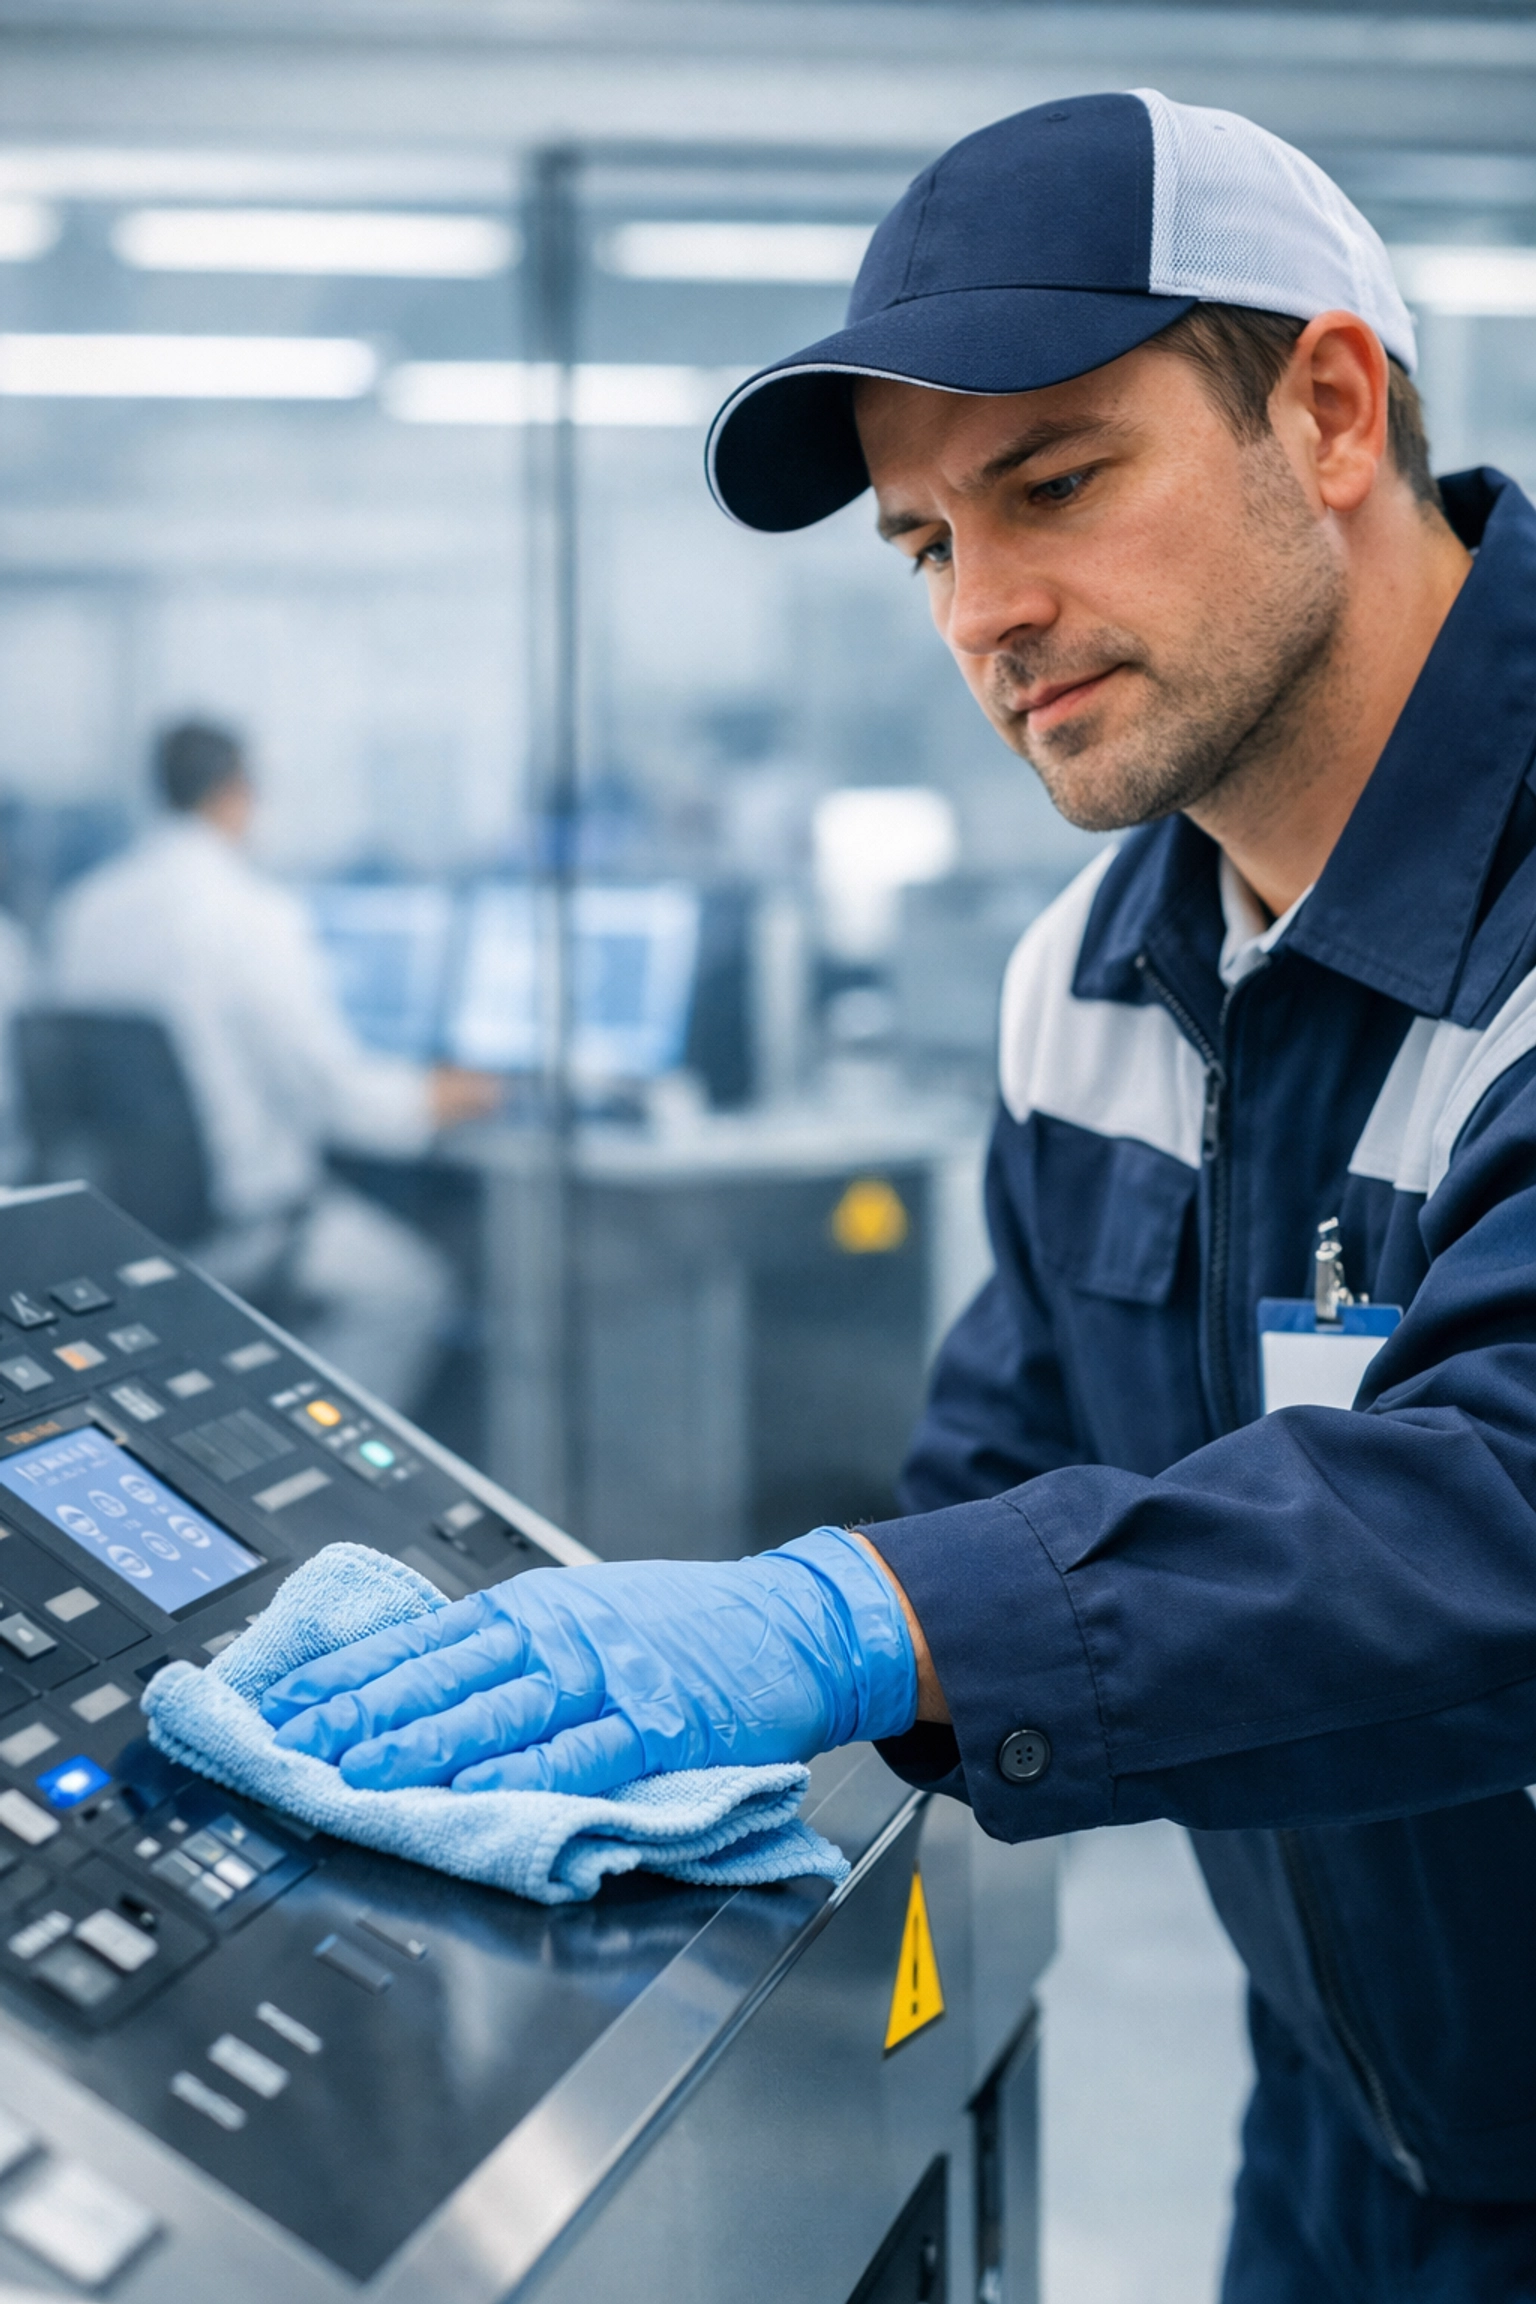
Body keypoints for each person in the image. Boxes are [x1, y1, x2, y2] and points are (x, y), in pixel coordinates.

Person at [256, 93, 1536, 2298]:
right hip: (1355, 2132)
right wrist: (658, 1762)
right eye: (929, 543)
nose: (988, 613)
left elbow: (1495, 1516)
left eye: (1054, 482)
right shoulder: (1102, 976)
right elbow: (1006, 1469)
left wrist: (859, 1617)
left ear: (1329, 410)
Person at [49, 720, 499, 1408]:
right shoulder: (250, 912)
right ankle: (319, 1456)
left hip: (130, 1226)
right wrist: (452, 1095)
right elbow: (340, 1100)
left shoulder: (85, 909)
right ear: (237, 793)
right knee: (413, 1289)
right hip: (244, 1231)